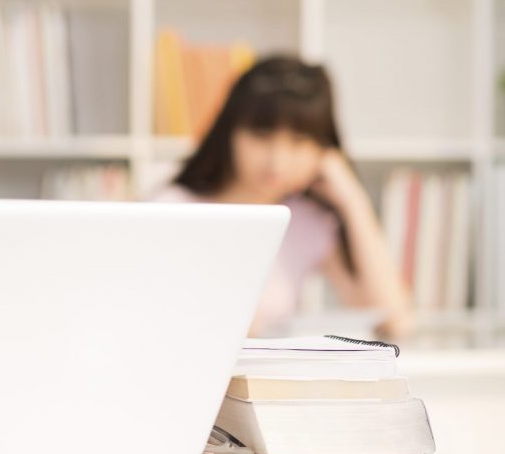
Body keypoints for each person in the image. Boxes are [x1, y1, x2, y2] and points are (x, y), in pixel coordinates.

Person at [153, 55, 413, 339]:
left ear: (322, 150)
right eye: (262, 135)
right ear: (230, 133)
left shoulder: (306, 221)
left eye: (299, 141)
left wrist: (354, 202)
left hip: (269, 381)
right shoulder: (171, 209)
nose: (277, 160)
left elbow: (394, 320)